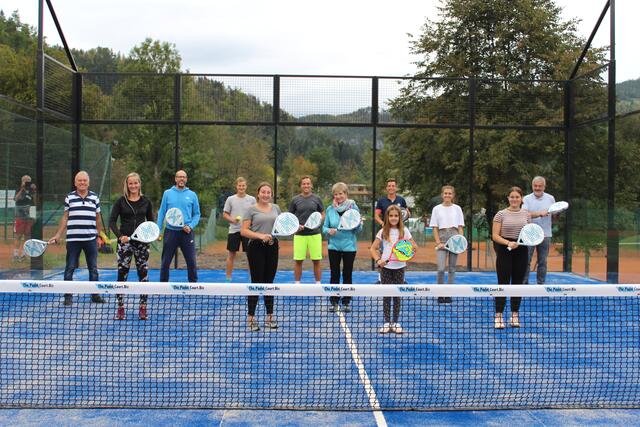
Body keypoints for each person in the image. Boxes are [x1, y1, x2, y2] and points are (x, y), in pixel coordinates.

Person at [49, 171, 105, 305]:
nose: (82, 182)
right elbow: (65, 217)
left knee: (93, 268)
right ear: (75, 183)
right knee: (70, 267)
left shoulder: (94, 198)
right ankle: (68, 296)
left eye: (84, 180)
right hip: (73, 240)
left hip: (91, 239)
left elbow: (98, 219)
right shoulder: (69, 197)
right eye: (79, 180)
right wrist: (58, 235)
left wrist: (99, 236)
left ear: (88, 182)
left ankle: (95, 295)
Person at [109, 172, 154, 320]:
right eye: (130, 183)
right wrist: (120, 236)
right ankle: (120, 308)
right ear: (127, 185)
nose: (133, 186)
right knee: (122, 275)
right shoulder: (121, 202)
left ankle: (143, 308)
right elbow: (112, 222)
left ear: (139, 184)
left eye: (136, 183)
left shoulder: (146, 202)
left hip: (142, 245)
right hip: (125, 245)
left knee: (143, 275)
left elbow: (151, 223)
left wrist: (150, 236)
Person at [369, 205, 417, 335]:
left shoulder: (405, 231)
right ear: (387, 217)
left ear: (399, 217)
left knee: (397, 296)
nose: (394, 218)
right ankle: (386, 322)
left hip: (400, 267)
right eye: (391, 216)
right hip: (385, 268)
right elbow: (373, 248)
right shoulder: (382, 231)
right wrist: (379, 261)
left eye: (396, 216)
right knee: (386, 295)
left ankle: (395, 322)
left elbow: (414, 246)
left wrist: (410, 249)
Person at [240, 182, 280, 331]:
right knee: (256, 282)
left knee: (269, 282)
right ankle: (251, 318)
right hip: (256, 248)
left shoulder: (276, 208)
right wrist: (260, 236)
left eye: (268, 192)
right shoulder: (251, 210)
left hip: (273, 247)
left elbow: (282, 226)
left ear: (271, 194)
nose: (266, 195)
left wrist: (296, 227)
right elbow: (244, 231)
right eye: (263, 192)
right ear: (258, 194)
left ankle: (269, 317)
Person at [492, 186, 531, 329]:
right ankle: (499, 316)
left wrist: (521, 242)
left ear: (521, 199)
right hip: (504, 249)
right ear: (508, 198)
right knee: (502, 284)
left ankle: (514, 315)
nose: (514, 199)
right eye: (512, 197)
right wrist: (508, 242)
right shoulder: (500, 214)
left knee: (517, 284)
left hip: (522, 250)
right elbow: (495, 235)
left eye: (517, 197)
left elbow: (529, 232)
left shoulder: (527, 214)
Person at [322, 182, 362, 313]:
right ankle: (333, 301)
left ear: (346, 194)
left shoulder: (354, 209)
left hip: (349, 247)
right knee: (334, 274)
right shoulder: (329, 209)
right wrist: (329, 231)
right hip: (333, 246)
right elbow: (324, 228)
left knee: (347, 274)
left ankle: (346, 302)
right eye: (336, 194)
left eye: (341, 193)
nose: (338, 196)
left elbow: (359, 229)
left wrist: (357, 224)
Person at [157, 170, 201, 283]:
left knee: (191, 261)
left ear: (186, 179)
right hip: (170, 232)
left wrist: (190, 226)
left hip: (187, 233)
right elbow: (162, 211)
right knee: (165, 261)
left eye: (184, 177)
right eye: (179, 177)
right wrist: (159, 229)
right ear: (175, 179)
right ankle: (162, 285)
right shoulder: (167, 193)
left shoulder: (192, 195)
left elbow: (197, 214)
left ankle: (193, 286)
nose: (182, 179)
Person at [431, 185, 465, 304]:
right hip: (441, 238)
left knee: (452, 268)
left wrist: (460, 242)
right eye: (445, 193)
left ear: (453, 195)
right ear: (442, 194)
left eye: (450, 193)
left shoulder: (457, 208)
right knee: (440, 269)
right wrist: (438, 242)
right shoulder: (436, 209)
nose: (447, 195)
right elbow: (435, 227)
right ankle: (440, 293)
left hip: (454, 237)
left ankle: (449, 293)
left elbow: (460, 227)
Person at [289, 176, 324, 284]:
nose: (306, 186)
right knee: (298, 261)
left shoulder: (317, 199)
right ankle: (297, 283)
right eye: (304, 184)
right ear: (301, 186)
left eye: (308, 183)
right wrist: (296, 226)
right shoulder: (295, 200)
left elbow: (323, 214)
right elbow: (290, 217)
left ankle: (318, 283)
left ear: (311, 185)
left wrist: (318, 221)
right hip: (299, 235)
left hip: (315, 234)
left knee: (316, 261)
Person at [522, 176, 555, 285]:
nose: (537, 188)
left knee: (543, 261)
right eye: (535, 186)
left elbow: (554, 214)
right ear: (532, 186)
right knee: (526, 261)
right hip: (529, 234)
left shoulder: (551, 198)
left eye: (540, 186)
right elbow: (524, 214)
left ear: (544, 187)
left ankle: (541, 284)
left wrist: (556, 213)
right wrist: (540, 213)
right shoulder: (526, 199)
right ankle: (524, 284)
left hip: (545, 235)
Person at [222, 177, 256, 282]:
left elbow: (255, 214)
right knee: (231, 254)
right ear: (236, 186)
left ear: (246, 186)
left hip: (247, 231)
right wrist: (232, 220)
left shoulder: (252, 199)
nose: (241, 187)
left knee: (250, 256)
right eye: (239, 185)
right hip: (234, 230)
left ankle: (252, 279)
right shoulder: (230, 199)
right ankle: (228, 279)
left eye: (243, 185)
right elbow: (225, 214)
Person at [13, 175, 36, 262]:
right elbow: (16, 199)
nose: (26, 182)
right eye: (25, 181)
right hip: (20, 216)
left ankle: (24, 254)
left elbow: (35, 203)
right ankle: (15, 255)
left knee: (28, 236)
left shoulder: (32, 191)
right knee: (18, 235)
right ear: (22, 181)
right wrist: (22, 189)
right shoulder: (18, 189)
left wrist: (34, 191)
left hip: (29, 216)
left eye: (28, 181)